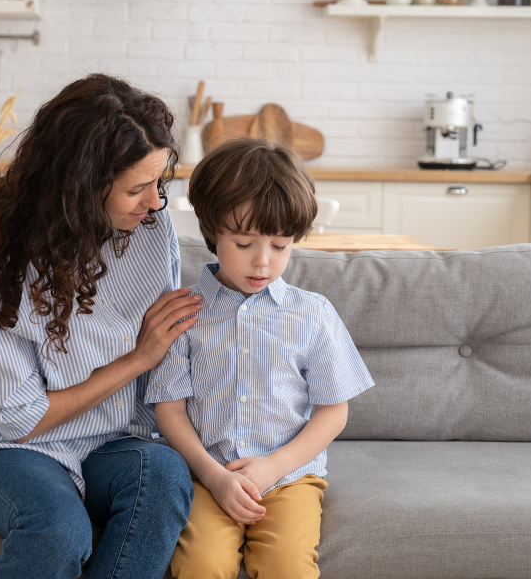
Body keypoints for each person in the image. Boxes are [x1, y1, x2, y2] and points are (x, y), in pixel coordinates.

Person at [0, 74, 199, 579]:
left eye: (159, 183)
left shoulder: (149, 228)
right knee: (57, 532)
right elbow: (19, 419)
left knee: (163, 475)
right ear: (79, 186)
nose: (156, 205)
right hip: (8, 448)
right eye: (136, 189)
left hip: (114, 443)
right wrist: (137, 359)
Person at [145, 138, 375, 579]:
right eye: (245, 242)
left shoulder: (313, 313)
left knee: (287, 568)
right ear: (212, 232)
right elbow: (169, 411)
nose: (263, 262)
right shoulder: (183, 312)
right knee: (200, 565)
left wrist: (274, 466)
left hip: (289, 477)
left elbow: (334, 412)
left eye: (281, 245)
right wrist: (214, 477)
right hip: (207, 475)